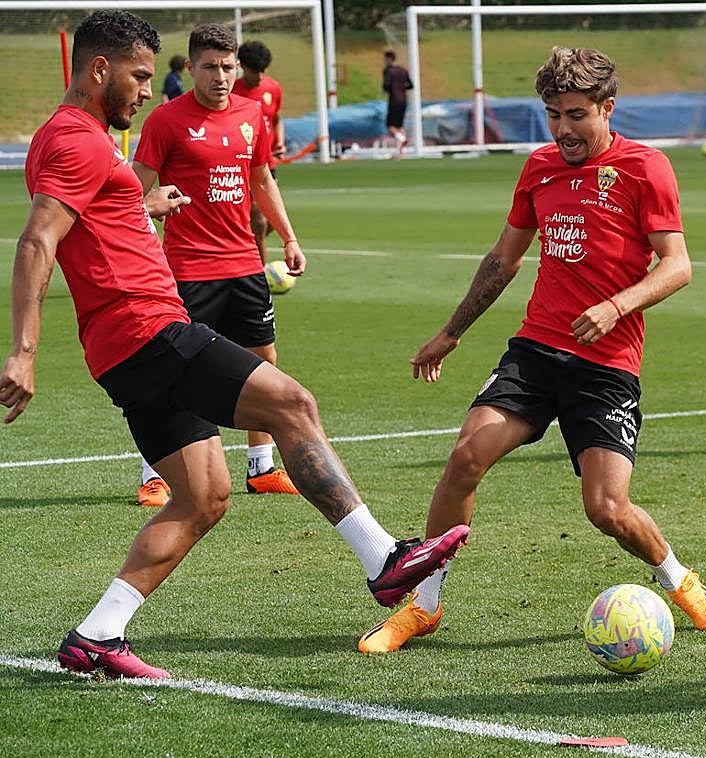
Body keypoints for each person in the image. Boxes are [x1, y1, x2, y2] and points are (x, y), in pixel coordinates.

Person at [0, 10, 469, 680]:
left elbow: (92, 224)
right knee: (292, 404)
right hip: (147, 331)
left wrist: (141, 208)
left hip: (124, 347)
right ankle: (385, 562)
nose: (144, 89)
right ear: (99, 68)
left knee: (204, 497)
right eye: (136, 76)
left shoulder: (89, 138)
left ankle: (97, 636)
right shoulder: (74, 137)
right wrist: (23, 349)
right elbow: (37, 239)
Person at [357, 46, 706, 654]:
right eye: (554, 114)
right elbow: (503, 260)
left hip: (606, 364)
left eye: (577, 114)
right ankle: (424, 605)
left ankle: (679, 579)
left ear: (608, 109)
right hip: (534, 351)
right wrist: (452, 331)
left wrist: (617, 305)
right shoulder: (538, 168)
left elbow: (678, 265)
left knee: (607, 508)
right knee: (463, 461)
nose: (564, 129)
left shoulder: (646, 168)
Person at [132, 25, 300, 505]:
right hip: (187, 268)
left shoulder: (252, 114)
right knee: (174, 370)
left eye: (228, 67)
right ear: (190, 69)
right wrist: (148, 213)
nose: (221, 76)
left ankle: (261, 467)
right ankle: (156, 474)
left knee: (263, 361)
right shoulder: (165, 121)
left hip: (245, 262)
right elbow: (133, 191)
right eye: (210, 67)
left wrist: (288, 237)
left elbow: (262, 178)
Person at [232, 40, 284, 265]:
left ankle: (242, 248)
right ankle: (258, 277)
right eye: (255, 71)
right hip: (242, 162)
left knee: (271, 219)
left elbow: (276, 118)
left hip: (267, 162)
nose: (260, 76)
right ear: (242, 66)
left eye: (263, 70)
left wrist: (279, 142)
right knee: (260, 220)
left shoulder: (273, 87)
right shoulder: (232, 91)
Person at [381, 50, 413, 152]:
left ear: (389, 59)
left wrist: (389, 89)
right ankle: (401, 151)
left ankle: (403, 139)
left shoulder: (388, 71)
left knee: (390, 126)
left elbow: (386, 85)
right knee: (399, 126)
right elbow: (410, 85)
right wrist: (401, 88)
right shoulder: (403, 70)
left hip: (394, 100)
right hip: (403, 100)